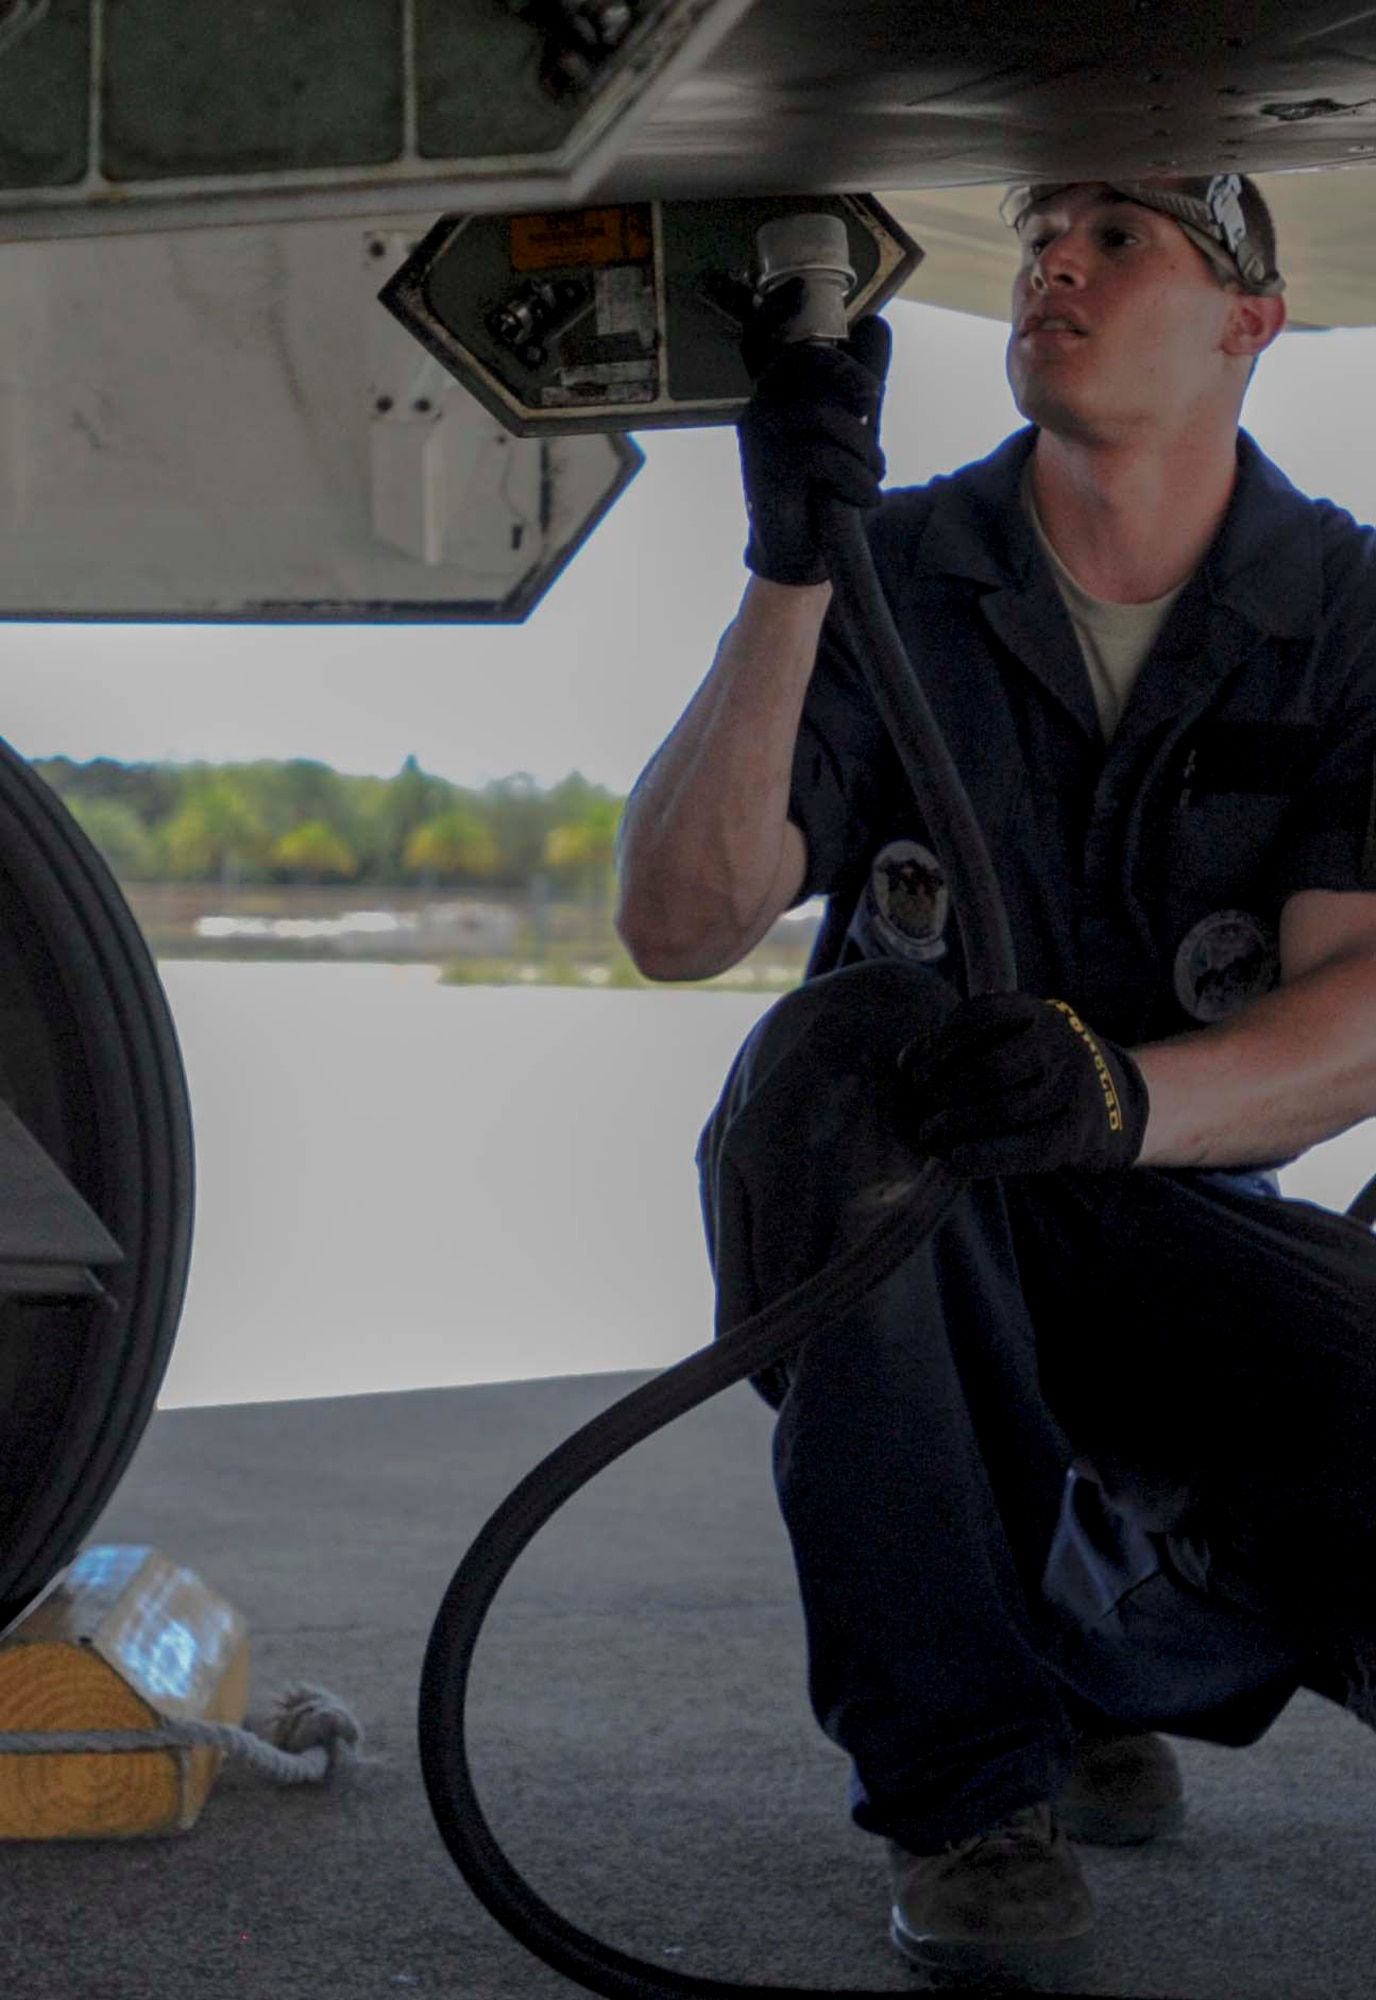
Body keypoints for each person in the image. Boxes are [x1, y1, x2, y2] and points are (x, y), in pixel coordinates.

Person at [613, 175, 1376, 1989]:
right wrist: (794, 565)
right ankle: (970, 1795)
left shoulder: (1346, 609)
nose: (1056, 263)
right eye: (1046, 231)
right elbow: (681, 915)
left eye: (1125, 240)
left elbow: (1359, 1009)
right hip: (912, 1231)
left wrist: (1121, 1103)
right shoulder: (901, 573)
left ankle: (1087, 1653)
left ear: (1249, 321)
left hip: (1176, 1224)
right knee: (829, 1062)